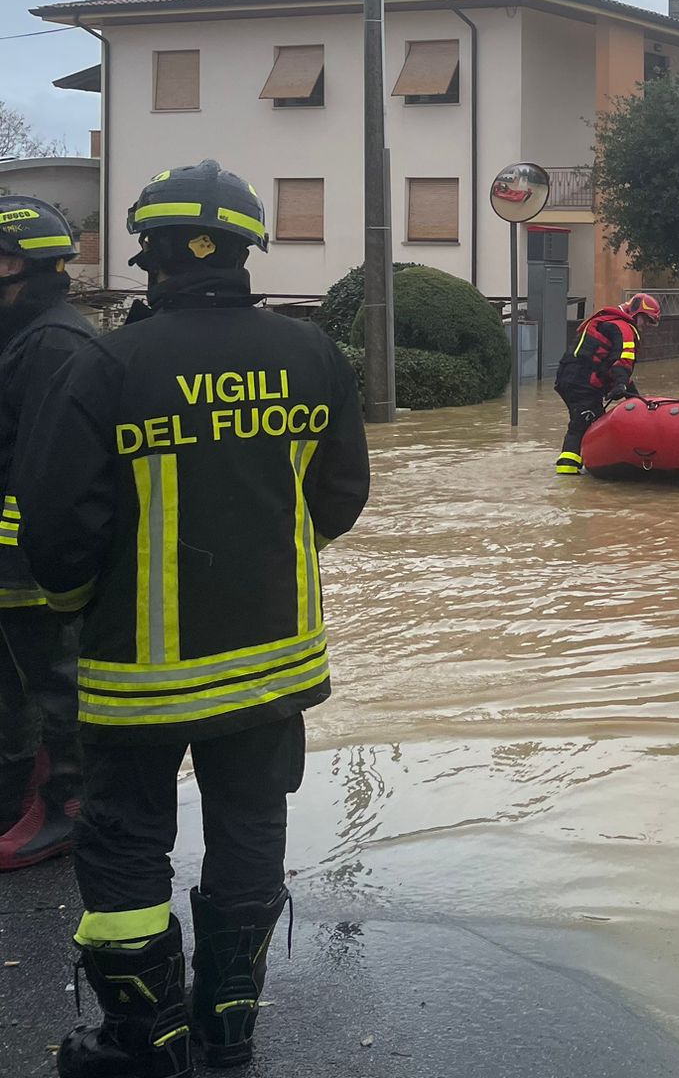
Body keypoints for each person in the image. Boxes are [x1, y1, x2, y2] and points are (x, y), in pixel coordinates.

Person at [17, 160, 371, 1076]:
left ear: (150, 253)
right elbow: (339, 497)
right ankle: (229, 1030)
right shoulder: (313, 353)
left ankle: (145, 1040)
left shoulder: (105, 361)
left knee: (127, 843)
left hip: (138, 671)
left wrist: (72, 606)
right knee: (251, 831)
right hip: (275, 665)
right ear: (249, 248)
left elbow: (58, 521)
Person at [0, 196, 94, 872]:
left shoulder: (56, 342)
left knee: (54, 682)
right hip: (12, 554)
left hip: (30, 558)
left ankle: (63, 808)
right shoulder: (22, 335)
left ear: (26, 268)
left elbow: (52, 465)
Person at [553, 291, 661, 476]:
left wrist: (634, 395)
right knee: (583, 424)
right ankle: (567, 473)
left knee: (588, 420)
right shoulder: (625, 328)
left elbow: (607, 364)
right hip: (583, 385)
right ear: (637, 314)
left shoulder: (606, 322)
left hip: (568, 379)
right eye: (647, 320)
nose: (647, 326)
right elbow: (622, 361)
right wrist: (620, 384)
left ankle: (577, 468)